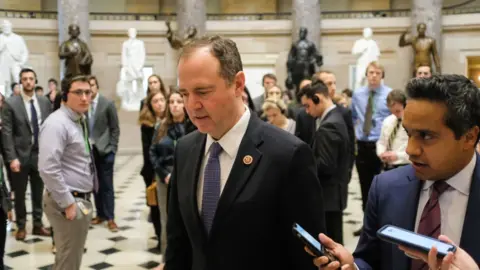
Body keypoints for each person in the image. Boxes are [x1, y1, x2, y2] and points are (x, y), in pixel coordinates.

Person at [164, 35, 325, 270]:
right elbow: (178, 245)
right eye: (185, 94)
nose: (192, 105)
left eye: (203, 91)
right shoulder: (185, 150)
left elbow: (306, 257)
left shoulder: (289, 155)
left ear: (238, 84)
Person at [311, 75, 480, 269]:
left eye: (426, 136)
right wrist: (353, 267)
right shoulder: (386, 188)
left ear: (469, 137)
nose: (410, 150)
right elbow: (369, 260)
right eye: (409, 134)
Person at [39, 75, 97, 270]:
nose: (84, 97)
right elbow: (48, 168)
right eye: (78, 92)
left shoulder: (78, 119)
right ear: (64, 96)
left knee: (69, 259)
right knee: (68, 262)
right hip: (67, 201)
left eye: (88, 92)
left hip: (77, 198)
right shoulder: (57, 123)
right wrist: (68, 203)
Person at [2, 68, 52, 240]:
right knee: (20, 193)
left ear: (35, 80)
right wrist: (11, 158)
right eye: (25, 79)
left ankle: (38, 224)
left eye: (31, 78)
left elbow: (50, 128)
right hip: (20, 156)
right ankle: (21, 225)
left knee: (39, 192)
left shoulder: (44, 102)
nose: (28, 82)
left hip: (40, 156)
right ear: (20, 82)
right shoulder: (11, 103)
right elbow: (6, 133)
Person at [299, 80, 350, 245]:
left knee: (331, 245)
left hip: (329, 196)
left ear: (317, 98)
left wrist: (302, 164)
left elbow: (326, 165)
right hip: (333, 195)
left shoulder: (329, 125)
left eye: (308, 106)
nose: (307, 111)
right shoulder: (334, 117)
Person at [351, 61, 392, 236]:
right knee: (364, 185)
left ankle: (382, 224)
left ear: (382, 75)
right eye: (371, 72)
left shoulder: (389, 94)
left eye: (377, 72)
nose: (374, 75)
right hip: (362, 145)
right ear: (366, 75)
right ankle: (367, 224)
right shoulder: (358, 95)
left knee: (381, 187)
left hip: (381, 145)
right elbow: (354, 117)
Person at [88, 76, 120, 232]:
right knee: (95, 185)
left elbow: (115, 128)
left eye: (93, 85)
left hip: (106, 150)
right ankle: (100, 214)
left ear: (97, 87)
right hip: (89, 151)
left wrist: (113, 148)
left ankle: (111, 218)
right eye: (88, 86)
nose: (90, 89)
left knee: (107, 185)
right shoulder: (83, 104)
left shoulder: (107, 104)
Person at [376, 89, 409, 171]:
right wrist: (381, 153)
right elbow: (381, 142)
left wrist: (397, 156)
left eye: (398, 111)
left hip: (405, 166)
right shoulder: (388, 120)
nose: (395, 114)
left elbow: (417, 150)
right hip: (388, 166)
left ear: (405, 105)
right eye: (392, 111)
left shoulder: (413, 123)